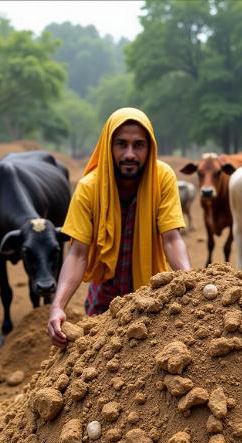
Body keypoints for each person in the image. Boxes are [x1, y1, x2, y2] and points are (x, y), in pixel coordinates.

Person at [47, 107, 191, 347]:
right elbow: (77, 253)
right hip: (104, 297)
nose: (130, 154)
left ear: (150, 147)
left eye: (139, 145)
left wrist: (190, 281)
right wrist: (57, 306)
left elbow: (172, 239)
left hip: (150, 294)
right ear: (108, 146)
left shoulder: (163, 178)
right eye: (121, 144)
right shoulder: (89, 187)